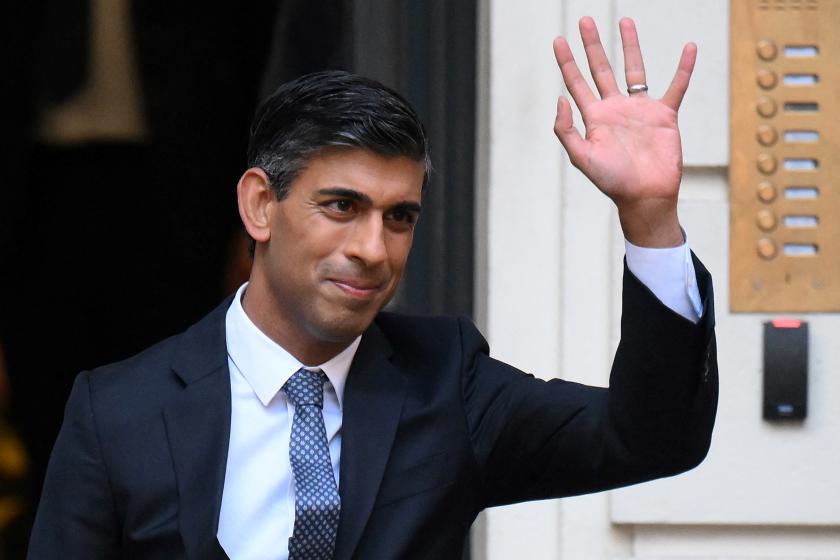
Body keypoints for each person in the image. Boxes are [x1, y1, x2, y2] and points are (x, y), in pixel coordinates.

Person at [28, 17, 718, 559]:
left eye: (399, 218)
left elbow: (651, 438)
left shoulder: (446, 383)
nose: (371, 248)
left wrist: (649, 216)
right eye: (341, 207)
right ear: (260, 206)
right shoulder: (117, 412)